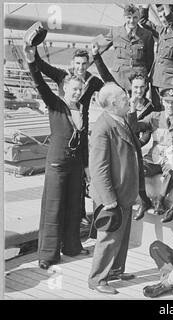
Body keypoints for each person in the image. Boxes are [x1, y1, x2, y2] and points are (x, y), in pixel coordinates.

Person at [23, 44, 90, 270]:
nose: (77, 93)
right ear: (65, 89)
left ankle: (72, 246)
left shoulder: (80, 108)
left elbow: (82, 140)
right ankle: (47, 254)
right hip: (57, 163)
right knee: (53, 207)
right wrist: (32, 62)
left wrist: (86, 167)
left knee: (73, 207)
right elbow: (40, 83)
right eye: (73, 89)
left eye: (79, 90)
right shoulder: (56, 105)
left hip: (75, 164)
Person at [34, 43, 104, 228]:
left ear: (88, 64)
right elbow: (41, 66)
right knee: (63, 171)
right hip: (63, 126)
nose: (80, 67)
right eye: (78, 63)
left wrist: (98, 57)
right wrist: (32, 48)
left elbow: (109, 85)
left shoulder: (93, 81)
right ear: (72, 63)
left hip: (81, 128)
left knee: (81, 171)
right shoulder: (61, 76)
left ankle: (80, 213)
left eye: (84, 64)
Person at [91, 44, 155, 221]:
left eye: (142, 88)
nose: (137, 92)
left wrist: (138, 143)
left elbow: (143, 131)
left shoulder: (149, 108)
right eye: (135, 88)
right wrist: (96, 57)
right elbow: (107, 78)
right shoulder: (119, 105)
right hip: (121, 153)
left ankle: (143, 200)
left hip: (137, 152)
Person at [88, 82, 141, 294]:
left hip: (125, 191)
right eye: (124, 98)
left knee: (122, 234)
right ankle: (98, 279)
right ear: (113, 103)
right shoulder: (103, 128)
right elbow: (98, 167)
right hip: (112, 194)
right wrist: (108, 198)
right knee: (109, 237)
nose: (128, 98)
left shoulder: (120, 119)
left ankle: (116, 270)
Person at [138, 88, 173, 223]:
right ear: (162, 102)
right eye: (167, 102)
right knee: (136, 166)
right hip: (153, 159)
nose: (170, 106)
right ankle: (144, 201)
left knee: (172, 168)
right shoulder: (154, 117)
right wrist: (132, 110)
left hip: (168, 160)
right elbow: (137, 126)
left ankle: (159, 201)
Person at [94, 4, 154, 92]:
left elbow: (150, 60)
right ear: (124, 17)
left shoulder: (147, 35)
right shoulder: (115, 32)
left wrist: (142, 74)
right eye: (129, 17)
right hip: (119, 79)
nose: (132, 21)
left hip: (138, 82)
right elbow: (97, 47)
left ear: (139, 17)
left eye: (135, 17)